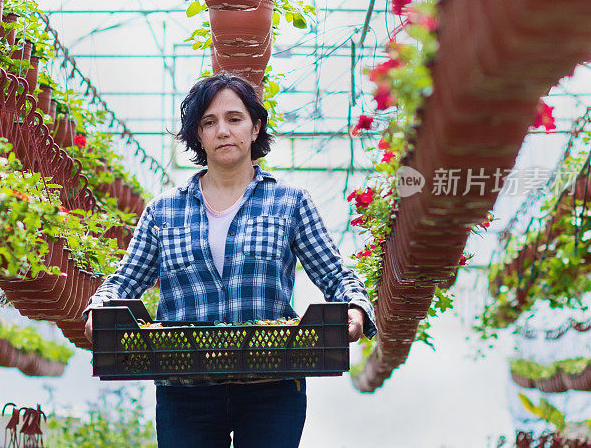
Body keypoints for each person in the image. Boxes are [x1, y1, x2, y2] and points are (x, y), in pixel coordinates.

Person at [83, 73, 377, 448]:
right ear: (198, 136)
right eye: (209, 122)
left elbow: (336, 275)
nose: (223, 130)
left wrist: (353, 309)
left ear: (255, 128)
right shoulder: (164, 211)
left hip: (272, 386)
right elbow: (124, 281)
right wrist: (99, 309)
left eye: (234, 119)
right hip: (185, 390)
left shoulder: (290, 203)